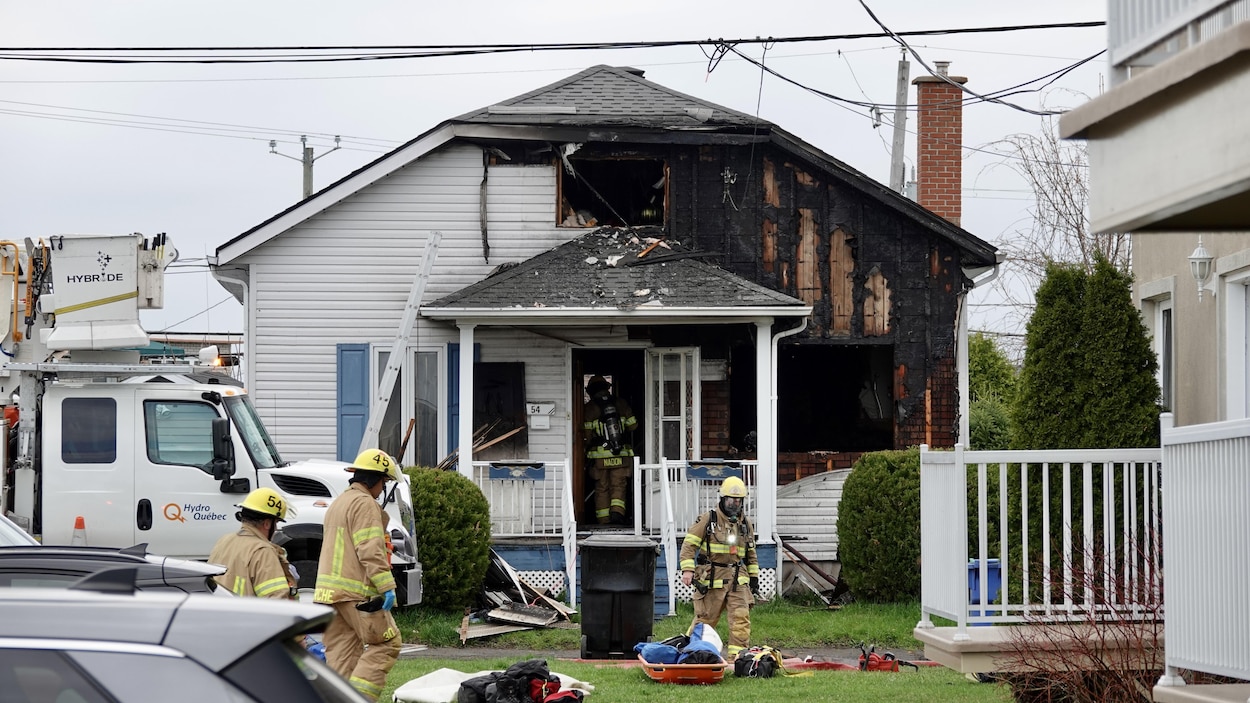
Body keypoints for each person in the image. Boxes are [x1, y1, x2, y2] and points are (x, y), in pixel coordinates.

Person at [314, 449, 402, 702]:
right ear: (375, 480)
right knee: (386, 644)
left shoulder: (340, 502)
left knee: (341, 655)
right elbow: (370, 549)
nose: (382, 488)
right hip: (355, 593)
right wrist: (386, 585)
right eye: (384, 482)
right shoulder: (364, 504)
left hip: (329, 594)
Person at [678, 476, 760, 658]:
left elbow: (751, 552)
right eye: (731, 500)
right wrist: (688, 570)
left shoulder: (745, 524)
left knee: (741, 620)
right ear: (722, 499)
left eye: (738, 500)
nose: (734, 504)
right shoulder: (708, 519)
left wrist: (754, 578)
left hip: (738, 580)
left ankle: (736, 660)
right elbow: (689, 545)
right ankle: (692, 655)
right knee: (705, 621)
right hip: (712, 579)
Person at [208, 487, 298, 599]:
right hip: (247, 615)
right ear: (267, 524)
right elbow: (276, 602)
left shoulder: (224, 541)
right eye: (276, 523)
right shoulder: (263, 552)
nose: (276, 528)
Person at [582, 375, 638, 525]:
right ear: (607, 388)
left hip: (599, 457)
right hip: (621, 454)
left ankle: (604, 521)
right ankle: (617, 515)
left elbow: (586, 435)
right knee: (618, 485)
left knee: (602, 488)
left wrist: (585, 450)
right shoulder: (621, 403)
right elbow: (633, 426)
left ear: (591, 391)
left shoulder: (590, 408)